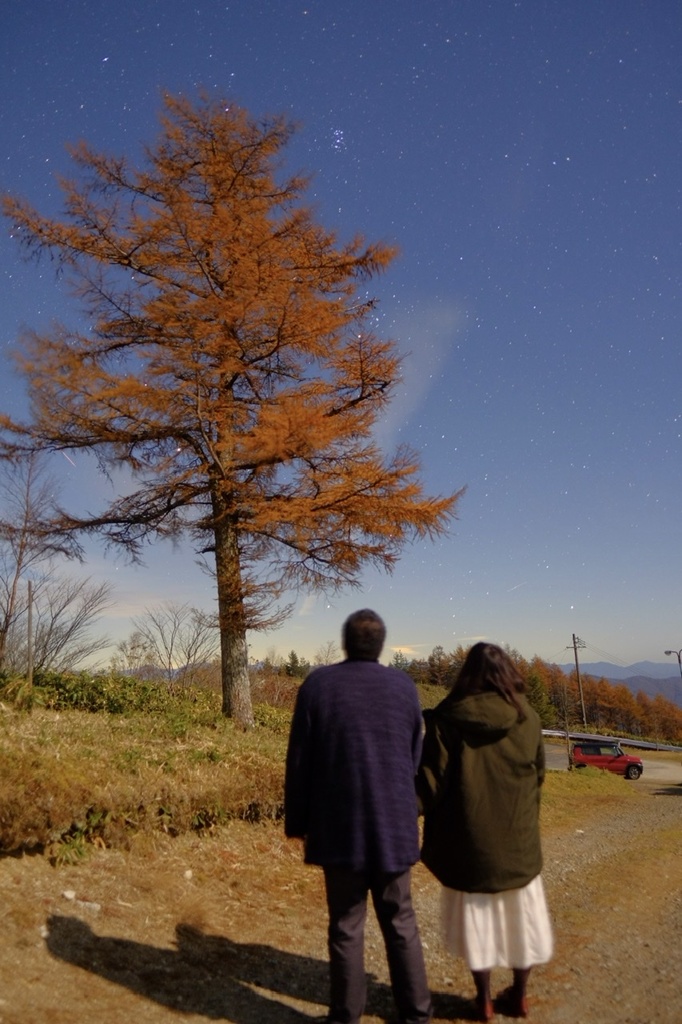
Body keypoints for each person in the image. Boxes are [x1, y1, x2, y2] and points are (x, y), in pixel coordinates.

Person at [284, 609, 432, 1024]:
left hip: (338, 826)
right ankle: (417, 1015)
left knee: (347, 926)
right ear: (381, 645)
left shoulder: (318, 685)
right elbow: (413, 757)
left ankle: (345, 1016)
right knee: (401, 921)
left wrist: (298, 823)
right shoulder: (403, 688)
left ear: (346, 642)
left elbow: (299, 762)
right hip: (394, 824)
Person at [416, 642, 553, 1022]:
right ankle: (521, 996)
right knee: (522, 921)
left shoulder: (446, 721)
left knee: (478, 924)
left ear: (467, 676)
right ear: (508, 674)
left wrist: (398, 812)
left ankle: (485, 1001)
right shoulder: (529, 718)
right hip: (518, 841)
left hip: (468, 846)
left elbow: (430, 784)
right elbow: (539, 775)